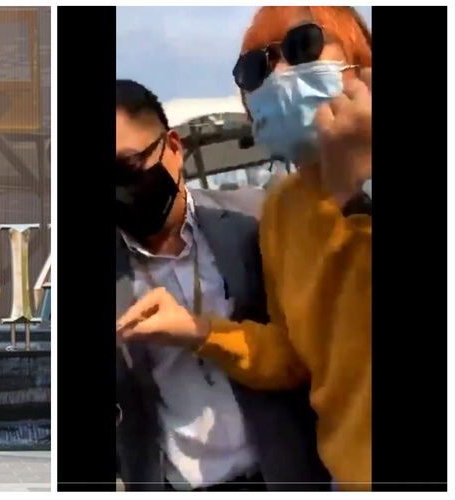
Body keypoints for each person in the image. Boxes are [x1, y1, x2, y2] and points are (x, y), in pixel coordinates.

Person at [117, 6, 372, 491]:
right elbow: (297, 356)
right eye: (255, 68)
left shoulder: (244, 219)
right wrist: (198, 331)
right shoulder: (284, 211)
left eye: (301, 48)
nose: (277, 74)